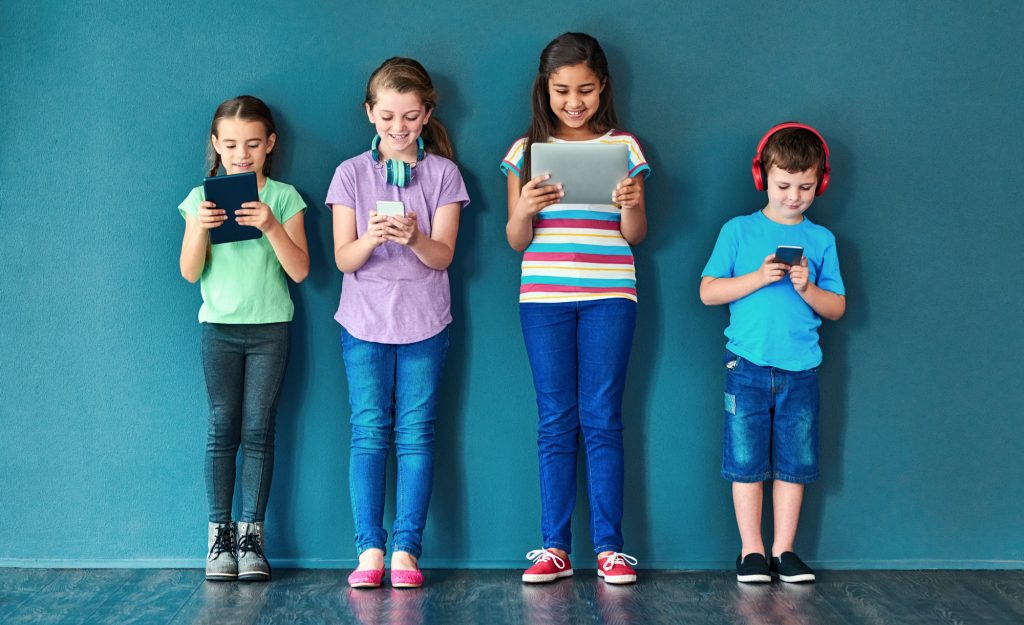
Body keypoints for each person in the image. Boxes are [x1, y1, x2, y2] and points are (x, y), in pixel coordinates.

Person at [501, 32, 650, 585]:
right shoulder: (525, 152)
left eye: (585, 90)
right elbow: (516, 240)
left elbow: (635, 235)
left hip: (611, 293)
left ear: (602, 87)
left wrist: (630, 205)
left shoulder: (625, 149)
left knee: (603, 418)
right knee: (555, 420)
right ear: (546, 89)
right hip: (544, 298)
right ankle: (554, 548)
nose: (574, 101)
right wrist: (526, 207)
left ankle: (610, 548)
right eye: (562, 90)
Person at [327, 57, 469, 589]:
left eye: (410, 116)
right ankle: (369, 549)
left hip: (425, 324)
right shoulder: (350, 174)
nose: (398, 127)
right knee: (368, 433)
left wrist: (413, 237)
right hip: (362, 323)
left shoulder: (444, 175)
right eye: (387, 116)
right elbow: (344, 258)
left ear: (427, 114)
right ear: (369, 113)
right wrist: (373, 236)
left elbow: (443, 256)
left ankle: (407, 548)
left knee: (417, 435)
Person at [699, 122, 846, 583]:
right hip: (746, 366)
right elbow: (707, 292)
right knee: (745, 460)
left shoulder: (822, 241)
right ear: (763, 177)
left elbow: (837, 307)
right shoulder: (738, 231)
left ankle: (784, 551)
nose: (794, 196)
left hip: (801, 370)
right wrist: (758, 278)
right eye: (783, 185)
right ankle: (751, 552)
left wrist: (808, 289)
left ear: (820, 181)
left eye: (805, 187)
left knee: (794, 463)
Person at [179, 95, 309, 581]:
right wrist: (200, 230)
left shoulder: (284, 197)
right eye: (231, 144)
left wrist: (271, 225)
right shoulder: (200, 198)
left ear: (270, 144)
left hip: (270, 329)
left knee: (259, 428)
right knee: (222, 427)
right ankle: (219, 538)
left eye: (253, 144)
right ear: (216, 144)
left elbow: (300, 269)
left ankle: (252, 536)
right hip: (218, 329)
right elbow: (190, 272)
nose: (241, 153)